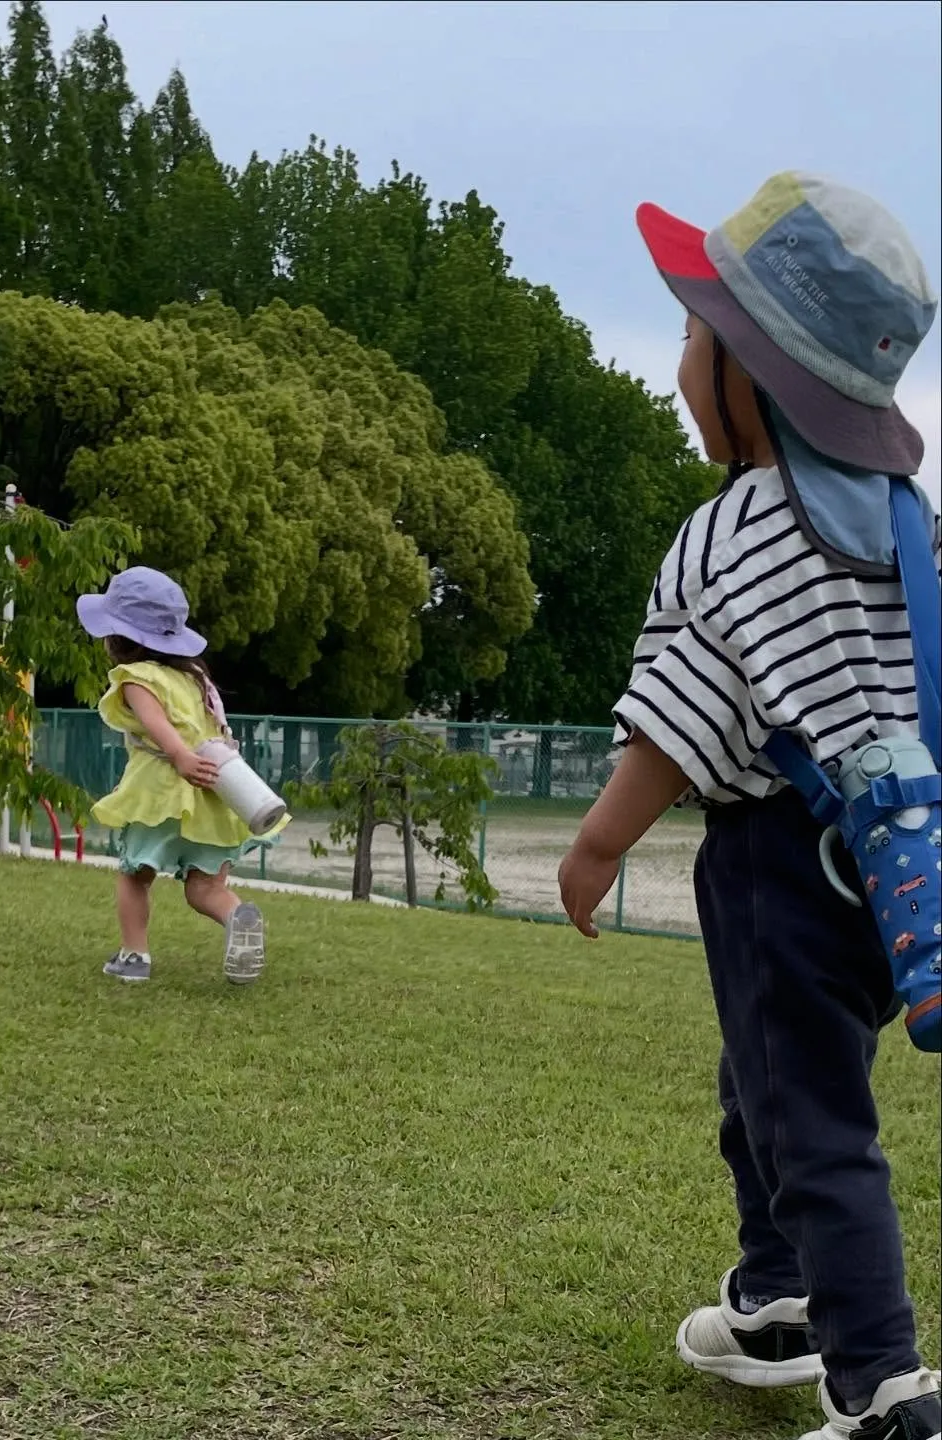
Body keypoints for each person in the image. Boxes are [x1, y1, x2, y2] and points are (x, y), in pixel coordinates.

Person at [558, 173, 940, 1440]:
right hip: (890, 869)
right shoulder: (906, 527)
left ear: (756, 375)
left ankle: (880, 1384)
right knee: (764, 1088)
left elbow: (676, 723)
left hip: (777, 869)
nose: (676, 361)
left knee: (813, 1121)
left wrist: (599, 846)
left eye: (688, 336)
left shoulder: (728, 538)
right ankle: (777, 1304)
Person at [76, 566, 280, 985]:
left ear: (119, 637)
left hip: (164, 791)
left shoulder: (136, 677)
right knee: (206, 888)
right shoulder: (196, 678)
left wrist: (179, 757)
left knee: (136, 874)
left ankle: (134, 957)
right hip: (215, 791)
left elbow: (157, 725)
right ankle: (236, 916)